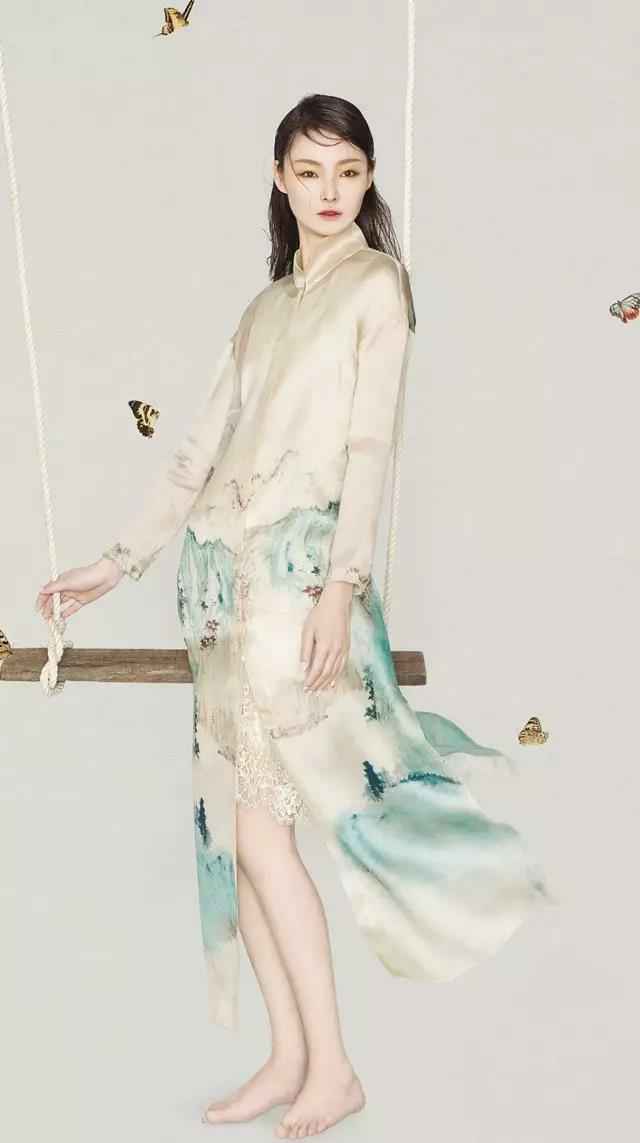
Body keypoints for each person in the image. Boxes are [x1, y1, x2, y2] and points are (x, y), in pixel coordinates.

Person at [35, 94, 553, 1139]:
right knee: (237, 836)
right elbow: (197, 452)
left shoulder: (377, 286)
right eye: (308, 171)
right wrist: (115, 564)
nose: (328, 191)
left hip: (295, 580)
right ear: (278, 177)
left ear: (369, 180)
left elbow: (370, 447)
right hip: (216, 586)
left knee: (265, 835)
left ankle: (336, 1068)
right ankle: (287, 1056)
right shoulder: (265, 307)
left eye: (347, 171)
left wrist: (341, 587)